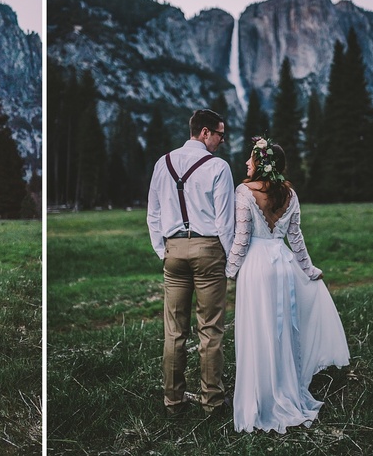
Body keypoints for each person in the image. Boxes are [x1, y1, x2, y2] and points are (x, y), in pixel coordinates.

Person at [225, 137, 349, 433]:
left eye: (251, 158)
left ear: (261, 163)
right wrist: (309, 269)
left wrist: (228, 271)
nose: (246, 163)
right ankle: (285, 391)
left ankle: (260, 400)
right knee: (280, 333)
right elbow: (296, 239)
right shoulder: (290, 194)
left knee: (258, 331)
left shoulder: (243, 192)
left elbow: (241, 240)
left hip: (255, 268)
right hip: (282, 265)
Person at [147, 109, 235, 415]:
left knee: (174, 330)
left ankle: (173, 401)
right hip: (209, 249)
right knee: (210, 329)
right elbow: (225, 222)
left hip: (173, 251)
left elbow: (153, 213)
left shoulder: (163, 163)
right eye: (221, 135)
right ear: (206, 133)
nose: (222, 141)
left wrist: (163, 251)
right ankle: (212, 401)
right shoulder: (218, 168)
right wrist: (231, 260)